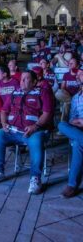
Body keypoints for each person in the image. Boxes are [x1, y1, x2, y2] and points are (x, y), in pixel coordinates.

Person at [0, 70, 55, 194]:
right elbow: (4, 111)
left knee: (36, 142)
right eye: (22, 78)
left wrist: (36, 126)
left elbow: (47, 113)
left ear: (34, 82)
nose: (22, 81)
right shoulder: (14, 93)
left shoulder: (42, 93)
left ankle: (35, 179)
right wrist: (4, 123)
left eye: (27, 79)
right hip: (12, 130)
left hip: (34, 131)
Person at [58, 70, 83, 198]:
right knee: (61, 125)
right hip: (79, 129)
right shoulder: (75, 98)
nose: (78, 76)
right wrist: (77, 122)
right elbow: (72, 118)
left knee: (79, 143)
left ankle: (72, 185)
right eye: (77, 75)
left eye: (81, 74)